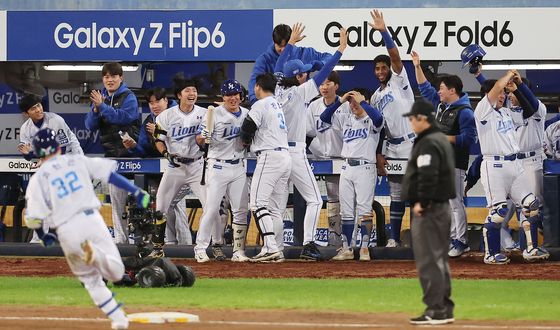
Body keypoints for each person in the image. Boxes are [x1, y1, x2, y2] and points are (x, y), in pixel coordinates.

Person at [25, 128, 150, 330]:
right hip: (92, 221)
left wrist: (43, 236)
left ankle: (119, 320)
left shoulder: (38, 179)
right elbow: (110, 174)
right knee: (117, 273)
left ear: (38, 153)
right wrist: (135, 190)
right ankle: (99, 258)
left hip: (67, 231)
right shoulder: (76, 160)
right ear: (58, 146)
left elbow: (33, 219)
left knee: (92, 283)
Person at [273, 23, 347, 260]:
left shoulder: (277, 89)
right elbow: (325, 72)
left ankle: (274, 247)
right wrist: (340, 50)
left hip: (276, 153)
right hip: (294, 153)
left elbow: (277, 67)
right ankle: (308, 245)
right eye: (302, 73)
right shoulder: (299, 92)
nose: (305, 74)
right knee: (315, 200)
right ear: (296, 77)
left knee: (277, 202)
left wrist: (291, 44)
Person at [474, 70, 547, 264]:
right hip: (494, 166)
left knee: (531, 206)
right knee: (498, 213)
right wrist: (508, 75)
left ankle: (531, 249)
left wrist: (519, 86)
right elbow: (495, 87)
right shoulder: (482, 111)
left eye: (504, 94)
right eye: (500, 94)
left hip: (516, 165)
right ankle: (491, 253)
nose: (503, 95)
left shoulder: (506, 112)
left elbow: (530, 108)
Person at [411, 51, 477, 257]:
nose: (438, 92)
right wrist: (417, 66)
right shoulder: (442, 105)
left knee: (455, 202)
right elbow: (424, 88)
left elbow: (469, 139)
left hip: (454, 163)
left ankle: (461, 241)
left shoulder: (465, 111)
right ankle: (451, 239)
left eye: (441, 89)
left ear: (452, 90)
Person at [401, 101, 456, 325]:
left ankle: (436, 309)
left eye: (412, 118)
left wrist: (422, 202)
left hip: (430, 208)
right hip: (440, 207)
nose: (411, 122)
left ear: (422, 118)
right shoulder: (440, 138)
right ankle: (444, 307)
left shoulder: (428, 142)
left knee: (429, 260)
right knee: (438, 259)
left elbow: (428, 174)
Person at [121, 87, 192, 248]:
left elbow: (184, 141)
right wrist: (132, 146)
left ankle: (186, 245)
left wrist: (160, 132)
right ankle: (171, 243)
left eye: (158, 101)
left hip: (184, 167)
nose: (154, 105)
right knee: (164, 207)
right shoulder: (149, 121)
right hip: (161, 172)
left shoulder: (178, 113)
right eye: (151, 103)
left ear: (166, 101)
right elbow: (144, 152)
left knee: (175, 204)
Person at [368, 9, 415, 248]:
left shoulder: (399, 81)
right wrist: (379, 155)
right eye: (376, 69)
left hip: (412, 143)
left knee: (417, 194)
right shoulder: (376, 97)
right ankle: (394, 239)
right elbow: (378, 130)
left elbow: (395, 56)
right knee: (396, 195)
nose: (380, 72)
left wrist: (384, 31)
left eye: (383, 68)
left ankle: (420, 240)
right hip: (393, 147)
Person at [320, 89, 383, 261]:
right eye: (351, 102)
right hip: (347, 167)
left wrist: (362, 102)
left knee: (364, 210)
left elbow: (379, 119)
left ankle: (364, 248)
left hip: (365, 167)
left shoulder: (372, 120)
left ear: (365, 101)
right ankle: (347, 248)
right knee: (346, 212)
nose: (353, 105)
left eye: (356, 101)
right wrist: (341, 101)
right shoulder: (346, 119)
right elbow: (324, 118)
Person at [193, 80, 250, 263]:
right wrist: (204, 138)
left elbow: (249, 140)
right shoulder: (213, 113)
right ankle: (200, 248)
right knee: (211, 209)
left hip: (239, 165)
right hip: (217, 165)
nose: (232, 98)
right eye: (228, 95)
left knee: (240, 209)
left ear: (240, 96)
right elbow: (199, 140)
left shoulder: (247, 115)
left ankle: (238, 251)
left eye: (235, 94)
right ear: (223, 97)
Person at [85, 62, 141, 244]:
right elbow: (89, 125)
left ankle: (144, 241)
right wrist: (95, 110)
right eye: (106, 77)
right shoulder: (100, 97)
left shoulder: (128, 96)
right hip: (112, 156)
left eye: (113, 76)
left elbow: (124, 117)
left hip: (133, 156)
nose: (110, 80)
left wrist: (102, 107)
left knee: (142, 202)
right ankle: (121, 242)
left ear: (121, 78)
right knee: (117, 203)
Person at [240, 72, 292, 262]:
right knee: (274, 209)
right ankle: (277, 248)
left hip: (269, 156)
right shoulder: (276, 103)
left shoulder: (260, 104)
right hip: (285, 157)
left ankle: (271, 248)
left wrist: (245, 141)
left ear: (257, 87)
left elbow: (247, 127)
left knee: (257, 204)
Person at [18, 94, 84, 243]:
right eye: (33, 108)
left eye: (39, 105)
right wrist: (29, 154)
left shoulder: (55, 120)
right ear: (26, 113)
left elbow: (64, 148)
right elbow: (29, 155)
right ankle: (39, 238)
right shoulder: (25, 129)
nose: (38, 109)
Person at [153, 79, 208, 248]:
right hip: (175, 166)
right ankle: (157, 245)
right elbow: (158, 140)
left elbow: (206, 141)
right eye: (187, 90)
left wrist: (204, 142)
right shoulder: (165, 115)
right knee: (161, 206)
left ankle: (209, 245)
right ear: (179, 95)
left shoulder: (205, 113)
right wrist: (165, 153)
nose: (192, 94)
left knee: (210, 205)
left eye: (194, 90)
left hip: (197, 166)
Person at [306, 71, 351, 248]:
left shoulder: (346, 106)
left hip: (343, 159)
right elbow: (308, 135)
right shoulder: (313, 106)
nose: (324, 87)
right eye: (322, 84)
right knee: (332, 199)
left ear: (336, 86)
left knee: (347, 201)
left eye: (328, 83)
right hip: (320, 160)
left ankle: (347, 239)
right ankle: (334, 237)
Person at [248, 23, 332, 105]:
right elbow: (254, 81)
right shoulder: (264, 60)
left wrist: (318, 64)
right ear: (274, 42)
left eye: (285, 45)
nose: (283, 49)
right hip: (277, 107)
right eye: (279, 46)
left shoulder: (304, 53)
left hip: (302, 106)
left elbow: (329, 57)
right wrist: (255, 102)